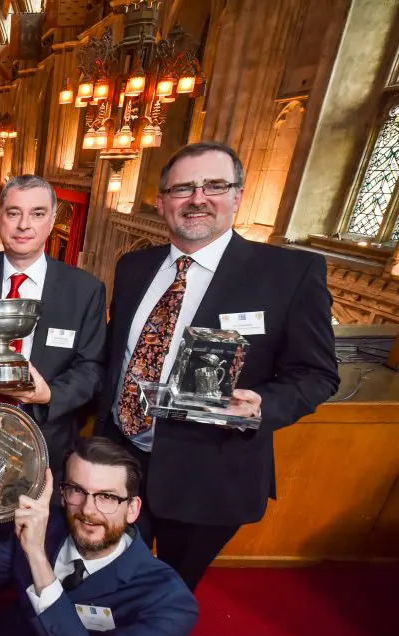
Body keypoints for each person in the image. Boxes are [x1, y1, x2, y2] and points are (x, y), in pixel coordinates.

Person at [94, 141, 340, 591]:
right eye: (182, 188)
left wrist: (262, 405)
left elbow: (318, 374)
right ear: (163, 200)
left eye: (214, 185)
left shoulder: (289, 274)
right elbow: (116, 356)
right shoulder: (134, 266)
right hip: (119, 459)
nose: (197, 198)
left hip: (207, 471)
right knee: (104, 574)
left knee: (168, 590)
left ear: (237, 196)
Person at [0, 437, 198, 636]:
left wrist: (37, 557)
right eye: (76, 491)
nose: (88, 509)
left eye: (107, 497)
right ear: (61, 494)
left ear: (132, 509)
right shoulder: (38, 525)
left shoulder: (169, 600)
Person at [0, 175, 107, 475]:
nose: (24, 225)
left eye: (37, 214)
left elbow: (92, 369)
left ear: (52, 220)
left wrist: (49, 395)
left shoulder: (85, 290)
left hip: (44, 434)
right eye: (14, 212)